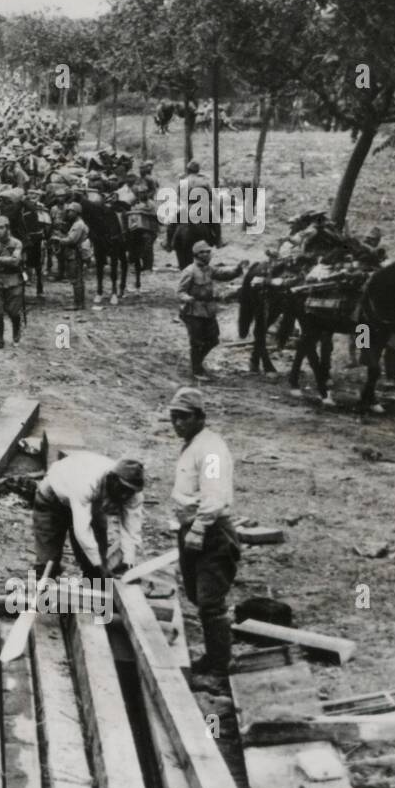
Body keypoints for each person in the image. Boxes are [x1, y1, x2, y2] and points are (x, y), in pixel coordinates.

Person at [168, 387, 240, 692]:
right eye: (173, 418)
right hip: (194, 527)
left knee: (211, 602)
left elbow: (215, 495)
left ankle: (220, 671)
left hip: (211, 531)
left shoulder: (210, 449)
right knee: (199, 596)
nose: (177, 423)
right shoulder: (193, 444)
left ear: (200, 417)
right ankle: (212, 658)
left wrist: (198, 528)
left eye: (183, 417)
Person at [31, 452, 145, 578]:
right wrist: (99, 566)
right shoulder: (87, 482)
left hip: (90, 503)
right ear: (112, 478)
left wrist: (128, 562)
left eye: (129, 492)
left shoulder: (133, 494)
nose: (124, 495)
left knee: (96, 562)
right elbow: (82, 532)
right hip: (54, 498)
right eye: (122, 489)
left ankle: (94, 592)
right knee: (48, 561)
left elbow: (131, 530)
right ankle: (42, 594)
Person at [178, 240, 247, 381]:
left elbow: (224, 275)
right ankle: (197, 370)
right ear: (196, 254)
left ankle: (196, 363)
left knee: (213, 340)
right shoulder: (189, 271)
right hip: (193, 312)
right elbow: (180, 292)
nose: (206, 254)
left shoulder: (209, 270)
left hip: (208, 310)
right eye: (202, 252)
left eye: (208, 252)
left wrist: (238, 269)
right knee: (196, 342)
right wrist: (187, 298)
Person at [0, 216, 24, 348]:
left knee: (13, 312)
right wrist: (5, 262)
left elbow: (16, 261)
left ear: (8, 228)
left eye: (2, 228)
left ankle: (16, 332)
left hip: (13, 280)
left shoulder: (17, 243)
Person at [58, 202, 90, 311]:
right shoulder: (77, 224)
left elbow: (72, 240)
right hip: (75, 253)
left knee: (76, 279)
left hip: (75, 253)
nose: (69, 213)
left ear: (77, 212)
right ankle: (79, 302)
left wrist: (59, 240)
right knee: (78, 279)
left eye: (71, 211)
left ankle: (78, 304)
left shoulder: (78, 225)